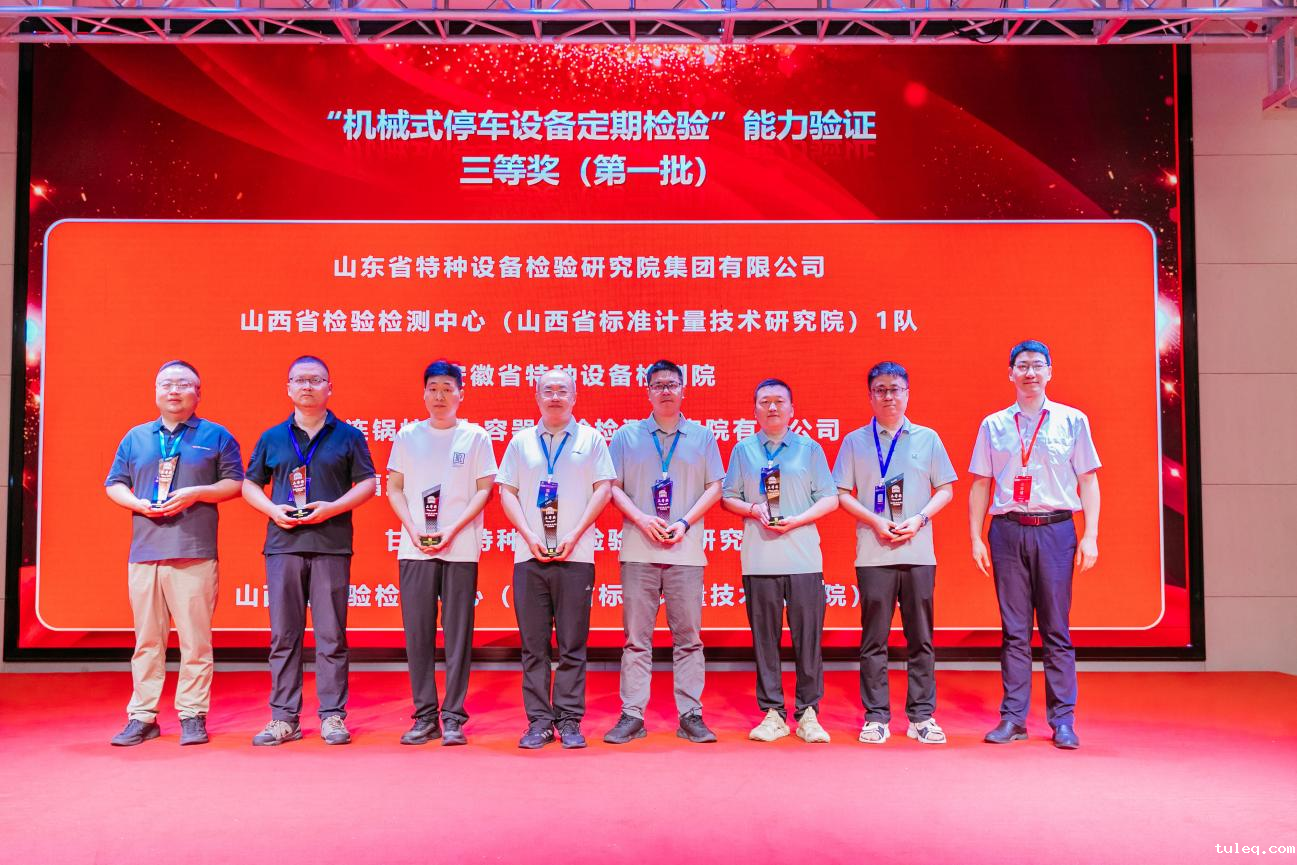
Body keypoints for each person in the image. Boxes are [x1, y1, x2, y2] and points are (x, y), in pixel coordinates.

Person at [968, 340, 1100, 750]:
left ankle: (1063, 721)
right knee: (1014, 631)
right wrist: (975, 537)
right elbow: (981, 483)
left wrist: (1091, 535)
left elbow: (1088, 480)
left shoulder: (1072, 421)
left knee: (1056, 629)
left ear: (1050, 372)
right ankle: (1013, 718)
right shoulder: (993, 425)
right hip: (1007, 531)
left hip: (1056, 530)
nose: (1030, 373)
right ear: (1010, 373)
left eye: (1037, 365)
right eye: (1022, 366)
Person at [105, 360, 244, 747]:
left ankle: (192, 714)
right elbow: (114, 484)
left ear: (198, 393)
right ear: (156, 391)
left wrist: (197, 493)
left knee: (195, 641)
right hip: (145, 552)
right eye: (166, 384)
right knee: (147, 640)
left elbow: (236, 483)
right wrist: (136, 502)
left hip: (193, 550)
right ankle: (142, 716)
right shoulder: (136, 437)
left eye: (183, 384)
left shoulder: (216, 435)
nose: (174, 390)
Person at [242, 356, 376, 746]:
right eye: (299, 380)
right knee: (284, 635)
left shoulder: (349, 436)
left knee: (331, 635)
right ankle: (284, 718)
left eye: (316, 380)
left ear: (329, 388)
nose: (307, 386)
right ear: (288, 388)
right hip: (283, 545)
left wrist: (332, 508)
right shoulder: (272, 437)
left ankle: (333, 716)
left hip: (331, 545)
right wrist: (272, 510)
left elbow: (368, 483)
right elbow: (250, 484)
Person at [833, 361, 956, 745]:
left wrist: (919, 519)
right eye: (881, 390)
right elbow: (841, 493)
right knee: (874, 639)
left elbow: (946, 489)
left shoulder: (927, 438)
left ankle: (922, 716)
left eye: (895, 389)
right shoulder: (855, 441)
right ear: (870, 396)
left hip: (918, 553)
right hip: (874, 553)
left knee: (921, 638)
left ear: (907, 394)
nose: (889, 396)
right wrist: (874, 521)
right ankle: (876, 716)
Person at [603, 360, 724, 745]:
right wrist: (641, 519)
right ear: (648, 392)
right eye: (658, 385)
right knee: (636, 639)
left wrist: (685, 522)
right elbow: (612, 487)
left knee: (688, 639)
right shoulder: (626, 436)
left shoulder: (703, 437)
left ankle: (691, 715)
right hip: (639, 550)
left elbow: (715, 487)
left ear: (684, 389)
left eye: (672, 384)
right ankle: (632, 715)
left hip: (685, 552)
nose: (666, 391)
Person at [497, 369, 615, 749]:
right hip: (529, 555)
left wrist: (574, 533)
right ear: (536, 397)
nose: (554, 396)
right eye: (547, 390)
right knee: (533, 645)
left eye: (562, 390)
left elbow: (604, 489)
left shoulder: (591, 440)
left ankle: (569, 719)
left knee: (572, 644)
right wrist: (528, 535)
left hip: (575, 555)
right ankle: (538, 721)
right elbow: (507, 492)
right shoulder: (521, 442)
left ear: (574, 396)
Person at [721, 378, 839, 744]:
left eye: (779, 401)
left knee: (808, 639)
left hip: (803, 558)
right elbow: (728, 496)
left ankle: (808, 713)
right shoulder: (743, 450)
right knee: (765, 639)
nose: (772, 408)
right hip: (760, 559)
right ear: (754, 410)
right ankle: (772, 712)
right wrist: (752, 509)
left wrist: (799, 519)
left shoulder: (810, 449)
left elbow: (830, 498)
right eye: (764, 402)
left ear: (791, 409)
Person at [386, 360, 497, 746]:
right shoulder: (407, 435)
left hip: (460, 548)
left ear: (461, 394)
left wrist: (454, 528)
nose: (439, 396)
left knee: (458, 635)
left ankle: (453, 717)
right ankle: (424, 716)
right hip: (415, 548)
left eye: (447, 388)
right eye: (433, 388)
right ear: (423, 393)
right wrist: (412, 527)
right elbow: (394, 487)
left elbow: (485, 489)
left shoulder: (476, 437)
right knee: (417, 634)